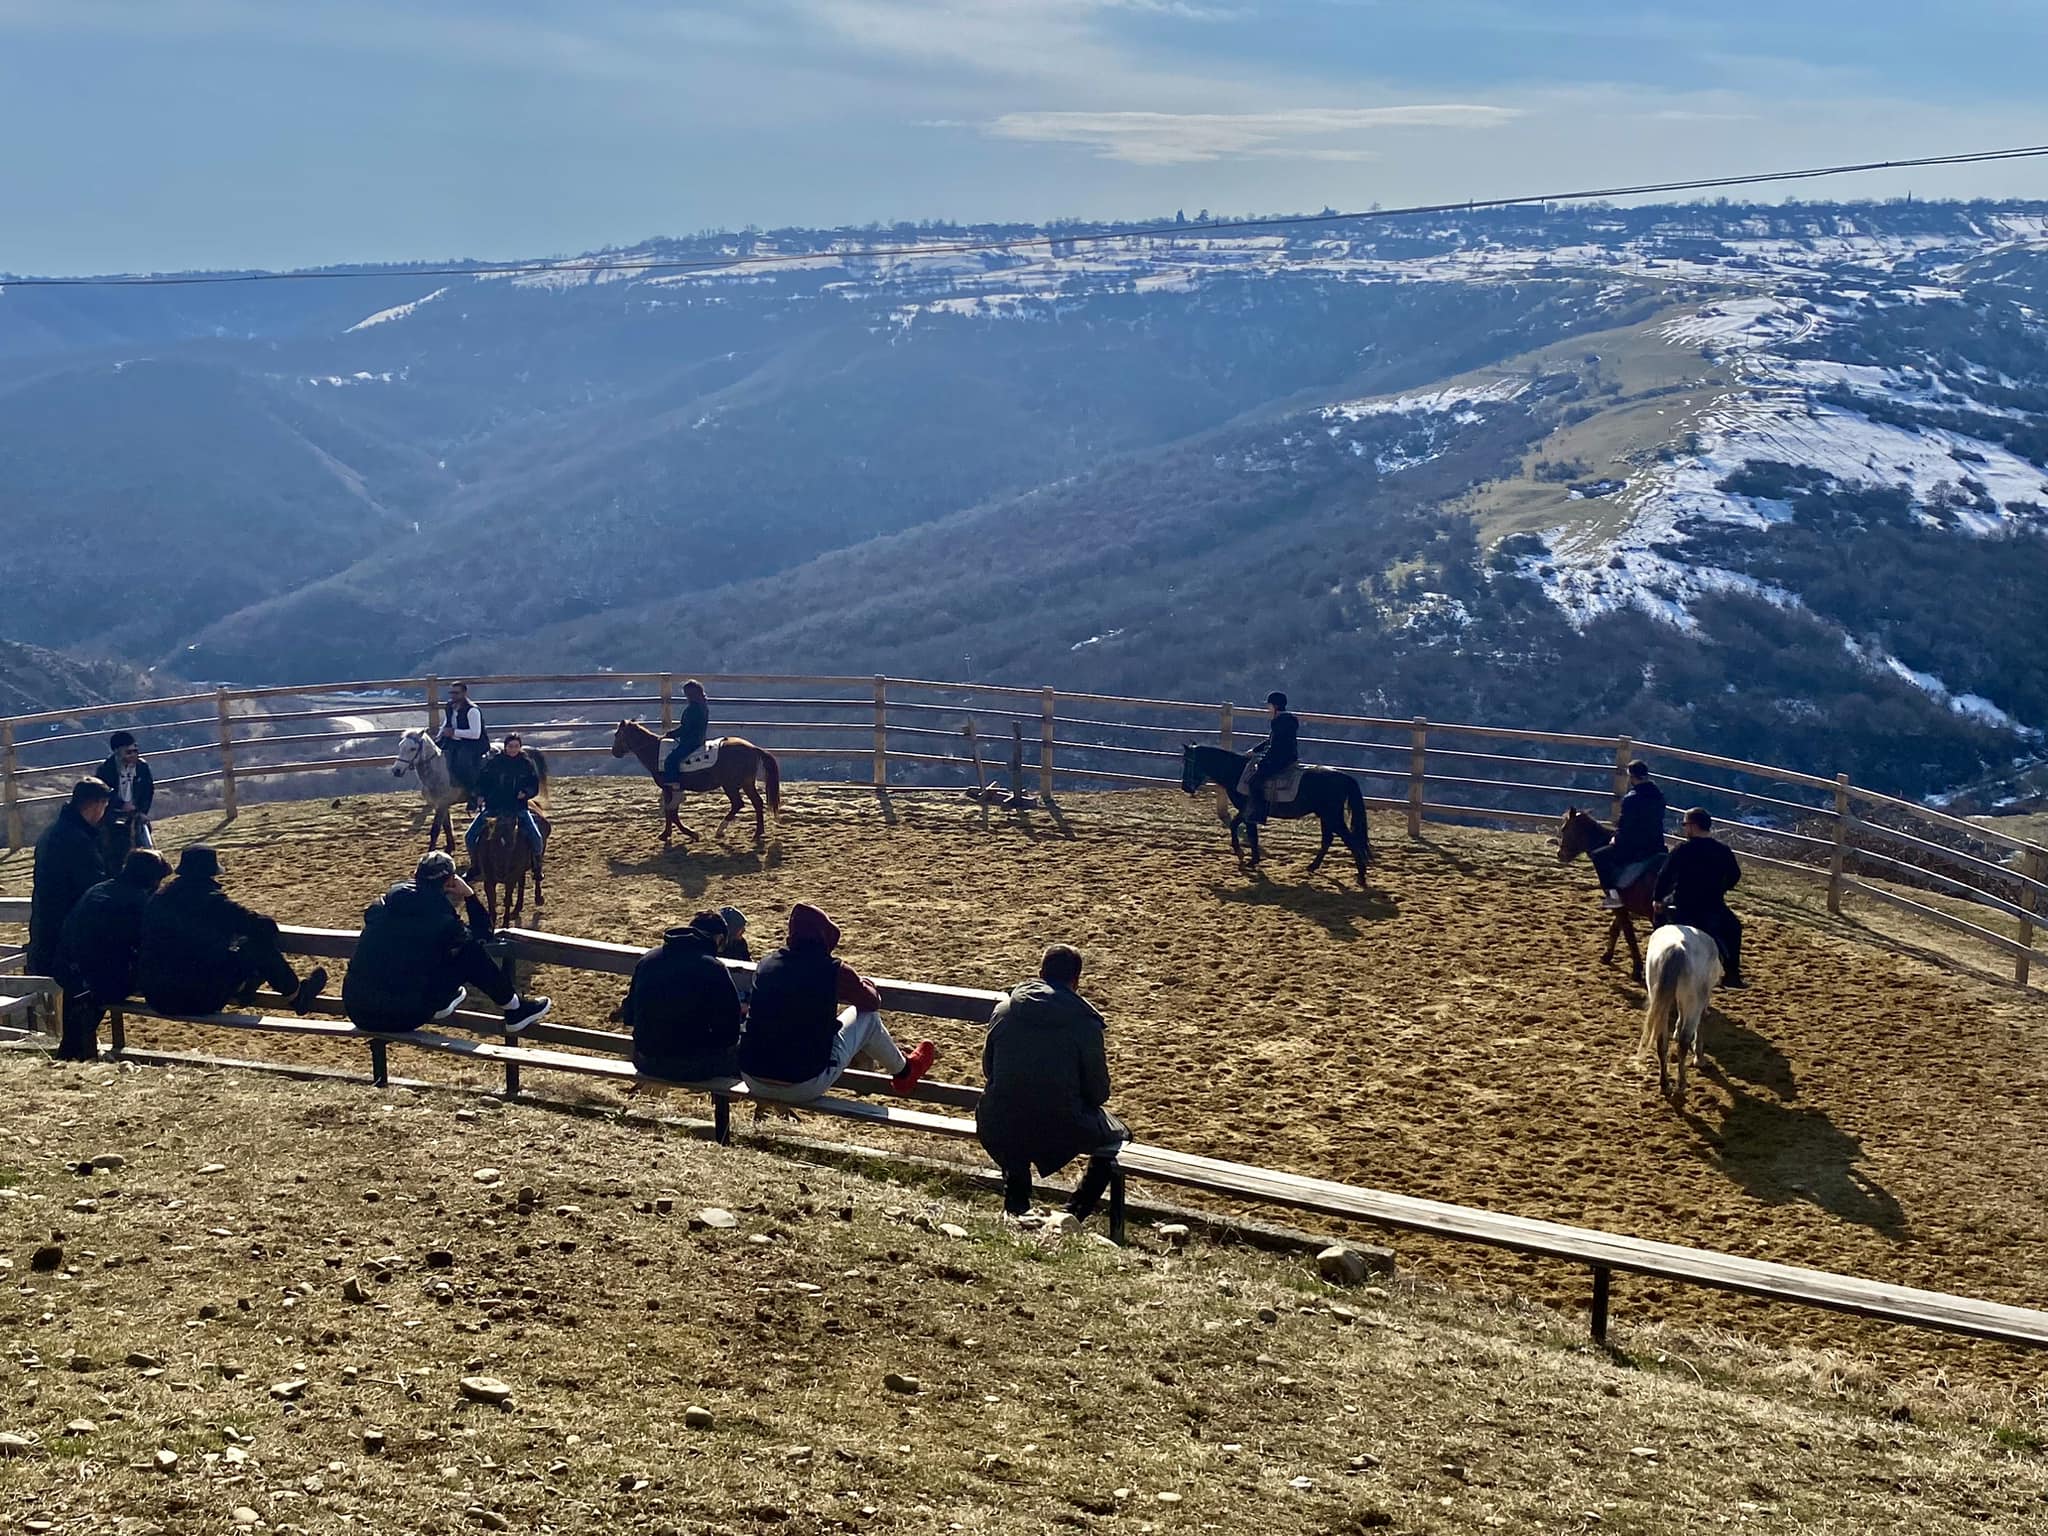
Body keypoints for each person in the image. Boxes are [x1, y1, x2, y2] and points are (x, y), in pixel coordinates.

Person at [977, 945, 1129, 1226]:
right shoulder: (1085, 1023)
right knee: (1119, 1137)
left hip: (999, 1120)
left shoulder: (1005, 1009)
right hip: (1061, 1122)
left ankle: (1017, 1203)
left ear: (1040, 973)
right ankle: (1073, 1213)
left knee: (1011, 1109)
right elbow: (1097, 1093)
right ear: (1076, 981)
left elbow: (989, 1070)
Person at [738, 902, 935, 1104]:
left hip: (752, 1078)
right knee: (868, 1018)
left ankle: (872, 1066)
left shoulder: (766, 964)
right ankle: (904, 1072)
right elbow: (871, 1002)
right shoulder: (834, 970)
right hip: (802, 1084)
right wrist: (865, 983)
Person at [343, 851, 550, 1033]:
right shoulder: (442, 920)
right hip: (397, 1017)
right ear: (450, 881)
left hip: (356, 1007)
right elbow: (483, 934)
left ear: (415, 876)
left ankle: (446, 998)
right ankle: (514, 1009)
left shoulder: (380, 906)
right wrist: (469, 895)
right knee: (469, 952)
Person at [136, 846, 328, 1017]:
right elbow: (264, 926)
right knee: (257, 946)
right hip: (195, 999)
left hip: (157, 996)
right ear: (210, 873)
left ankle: (247, 984)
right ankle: (296, 995)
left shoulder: (158, 899)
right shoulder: (213, 902)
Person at [53, 848, 170, 1060]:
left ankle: (75, 1055)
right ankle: (78, 1054)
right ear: (151, 879)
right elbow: (148, 944)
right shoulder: (137, 902)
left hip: (70, 972)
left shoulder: (99, 890)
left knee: (76, 1028)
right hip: (101, 981)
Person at [623, 910, 744, 1082]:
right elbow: (730, 1031)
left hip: (646, 1060)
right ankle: (725, 1106)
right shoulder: (713, 968)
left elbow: (629, 1016)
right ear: (718, 939)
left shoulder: (649, 959)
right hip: (692, 1066)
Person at [27, 778, 111, 979]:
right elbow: (91, 886)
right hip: (68, 926)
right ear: (96, 805)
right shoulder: (78, 841)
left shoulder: (54, 832)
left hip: (45, 921)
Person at [1654, 808, 1746, 988]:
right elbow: (1735, 875)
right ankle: (1732, 974)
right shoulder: (1722, 850)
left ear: (1694, 826)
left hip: (1682, 905)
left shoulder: (1683, 849)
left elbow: (1664, 875)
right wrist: (1720, 888)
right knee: (1734, 930)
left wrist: (1657, 898)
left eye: (1685, 824)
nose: (1684, 829)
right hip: (1713, 906)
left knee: (1659, 926)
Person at [1592, 760, 1668, 909]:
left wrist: (1616, 838)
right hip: (1656, 844)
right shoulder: (1659, 795)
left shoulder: (1631, 799)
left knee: (1599, 856)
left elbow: (1625, 826)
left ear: (1631, 776)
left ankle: (1613, 896)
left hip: (1635, 845)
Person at [464, 733, 544, 871]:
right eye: (510, 746)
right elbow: (482, 782)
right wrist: (480, 794)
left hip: (518, 808)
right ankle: (475, 865)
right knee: (469, 836)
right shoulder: (494, 763)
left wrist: (525, 793)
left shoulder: (526, 764)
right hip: (494, 808)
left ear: (520, 747)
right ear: (505, 747)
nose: (513, 749)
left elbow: (534, 785)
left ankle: (537, 865)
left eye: (516, 746)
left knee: (536, 837)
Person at [1242, 690, 1300, 826]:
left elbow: (1274, 746)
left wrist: (1263, 760)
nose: (1268, 709)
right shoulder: (1290, 719)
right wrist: (1255, 750)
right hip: (1290, 757)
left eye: (1269, 706)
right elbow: (1270, 741)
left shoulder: (1278, 722)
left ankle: (1259, 813)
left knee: (1254, 781)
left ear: (1275, 706)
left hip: (1279, 759)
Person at [95, 732, 156, 849]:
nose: (133, 755)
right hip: (111, 815)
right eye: (128, 752)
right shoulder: (105, 770)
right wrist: (121, 805)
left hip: (135, 814)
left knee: (146, 843)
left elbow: (148, 791)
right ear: (117, 752)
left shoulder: (142, 767)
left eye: (135, 751)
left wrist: (142, 812)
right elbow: (103, 794)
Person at [436, 681, 489, 797]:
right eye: (451, 693)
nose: (453, 696)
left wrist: (454, 732)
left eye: (456, 693)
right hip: (453, 740)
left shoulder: (472, 710)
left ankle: (473, 792)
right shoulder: (449, 706)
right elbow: (447, 722)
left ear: (464, 693)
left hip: (473, 744)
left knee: (463, 763)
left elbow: (476, 734)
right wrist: (439, 736)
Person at [661, 680, 712, 783]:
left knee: (671, 761)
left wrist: (670, 734)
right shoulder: (703, 706)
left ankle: (674, 785)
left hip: (691, 742)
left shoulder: (692, 709)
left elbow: (685, 728)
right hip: (699, 739)